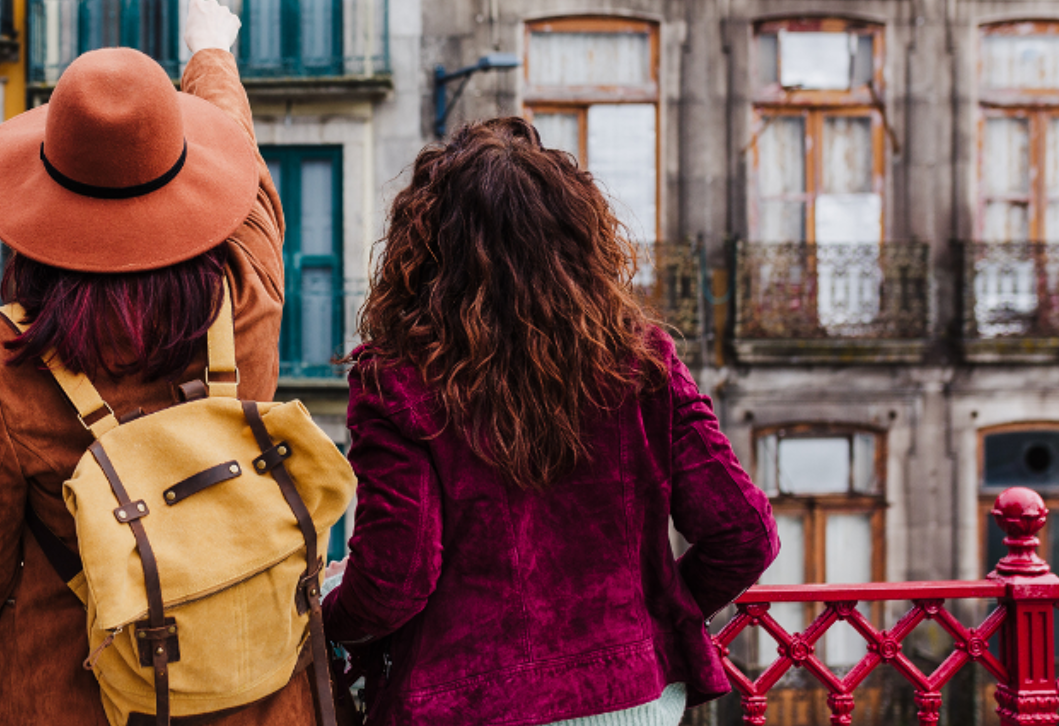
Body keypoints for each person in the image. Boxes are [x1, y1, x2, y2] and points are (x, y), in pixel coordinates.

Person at [0, 0, 323, 725]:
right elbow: (246, 175)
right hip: (257, 696)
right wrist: (210, 54)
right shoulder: (249, 290)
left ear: (40, 205)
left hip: (72, 699)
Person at [323, 117, 779, 726]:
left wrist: (329, 611)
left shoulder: (398, 382)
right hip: (633, 702)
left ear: (424, 250)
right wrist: (646, 617)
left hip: (465, 705)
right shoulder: (641, 363)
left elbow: (398, 576)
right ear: (577, 239)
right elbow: (744, 532)